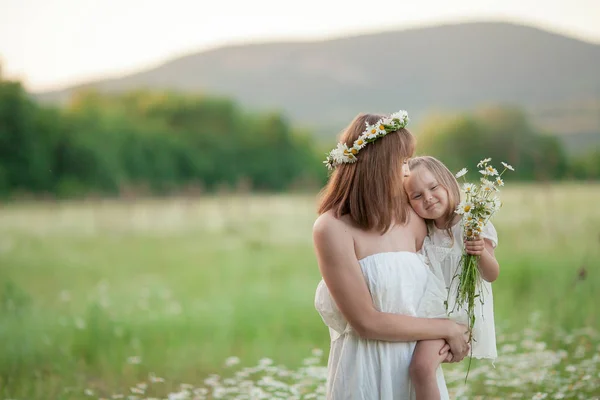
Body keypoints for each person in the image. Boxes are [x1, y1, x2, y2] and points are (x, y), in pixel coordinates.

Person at [313, 111, 470, 399]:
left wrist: (453, 336)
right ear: (378, 166)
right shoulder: (332, 228)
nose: (406, 171)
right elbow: (366, 322)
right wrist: (446, 328)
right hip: (364, 374)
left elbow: (443, 283)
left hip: (417, 372)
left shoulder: (412, 218)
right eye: (401, 163)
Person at [404, 156, 499, 400]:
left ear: (448, 183)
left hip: (459, 316)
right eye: (416, 196)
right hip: (433, 313)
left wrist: (479, 252)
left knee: (421, 368)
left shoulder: (471, 223)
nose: (428, 198)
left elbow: (492, 274)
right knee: (410, 366)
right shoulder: (425, 231)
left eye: (433, 187)